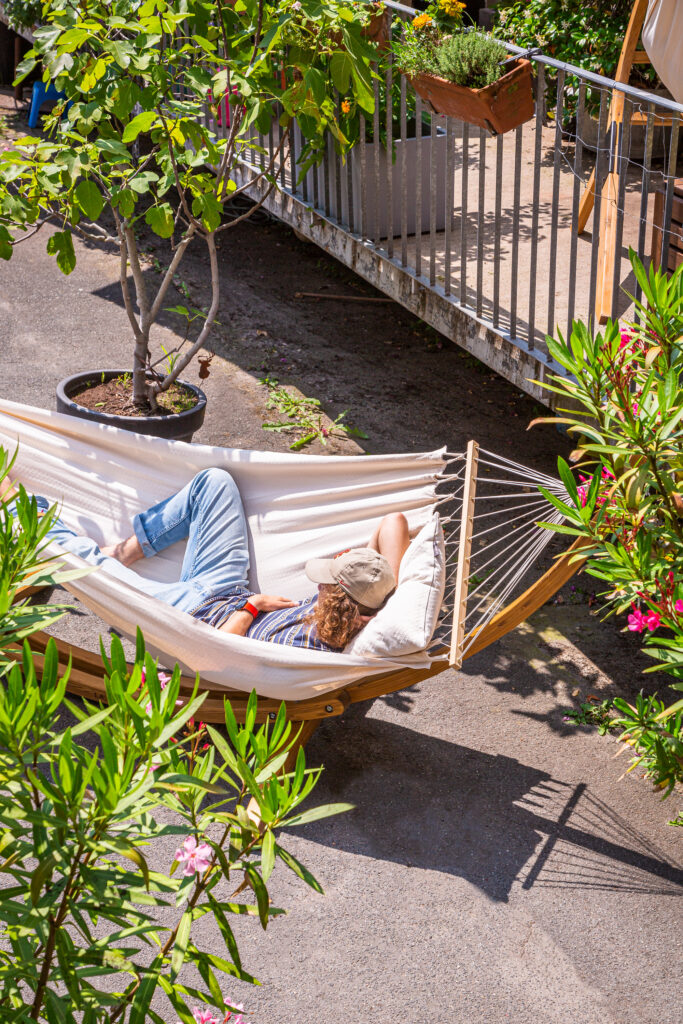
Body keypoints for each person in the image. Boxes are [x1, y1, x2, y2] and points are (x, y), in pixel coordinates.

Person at [6, 468, 410, 652]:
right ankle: (125, 552)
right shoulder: (373, 606)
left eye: (325, 582)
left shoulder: (309, 646)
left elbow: (222, 650)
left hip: (189, 613)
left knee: (77, 558)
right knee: (214, 483)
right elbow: (393, 523)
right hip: (225, 586)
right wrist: (382, 587)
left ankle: (17, 505)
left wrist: (254, 606)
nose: (318, 584)